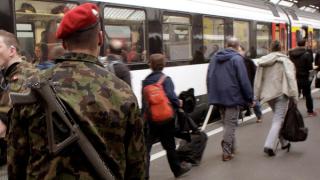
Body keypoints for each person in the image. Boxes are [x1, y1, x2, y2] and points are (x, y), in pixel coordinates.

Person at [8, 3, 146, 179]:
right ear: (100, 38)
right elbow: (137, 166)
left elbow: (16, 160)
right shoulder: (122, 91)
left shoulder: (32, 85)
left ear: (64, 43)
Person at [142, 53, 192, 179]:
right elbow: (172, 97)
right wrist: (178, 103)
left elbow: (145, 103)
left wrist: (144, 118)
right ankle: (177, 170)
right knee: (169, 146)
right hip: (166, 119)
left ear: (151, 66)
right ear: (163, 65)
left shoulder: (146, 81)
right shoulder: (165, 79)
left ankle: (144, 175)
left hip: (151, 120)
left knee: (146, 149)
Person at [207, 37, 253, 161]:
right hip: (233, 96)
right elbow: (244, 80)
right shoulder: (237, 59)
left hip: (218, 95)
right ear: (238, 47)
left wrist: (211, 93)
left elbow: (209, 77)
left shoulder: (214, 58)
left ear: (226, 45)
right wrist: (250, 97)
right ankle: (226, 152)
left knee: (226, 124)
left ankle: (232, 147)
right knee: (230, 125)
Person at [0, 29, 38, 168]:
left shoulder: (21, 76)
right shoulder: (17, 71)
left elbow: (2, 127)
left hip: (24, 153)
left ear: (11, 51)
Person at [254, 40, 298, 156]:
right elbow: (291, 79)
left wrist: (256, 95)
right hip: (281, 93)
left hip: (268, 95)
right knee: (278, 119)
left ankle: (284, 142)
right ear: (281, 48)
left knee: (278, 118)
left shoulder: (263, 61)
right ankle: (269, 145)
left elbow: (257, 80)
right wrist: (294, 95)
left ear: (270, 49)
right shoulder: (286, 61)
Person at [289, 39, 316, 117]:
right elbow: (310, 68)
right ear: (305, 45)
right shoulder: (307, 54)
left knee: (294, 96)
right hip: (304, 78)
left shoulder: (291, 54)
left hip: (295, 78)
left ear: (297, 44)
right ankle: (310, 112)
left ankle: (293, 112)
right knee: (308, 95)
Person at [238, 45, 263, 123]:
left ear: (243, 51)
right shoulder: (233, 62)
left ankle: (259, 116)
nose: (238, 52)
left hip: (250, 85)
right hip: (239, 86)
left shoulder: (248, 61)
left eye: (239, 51)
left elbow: (255, 72)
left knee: (255, 103)